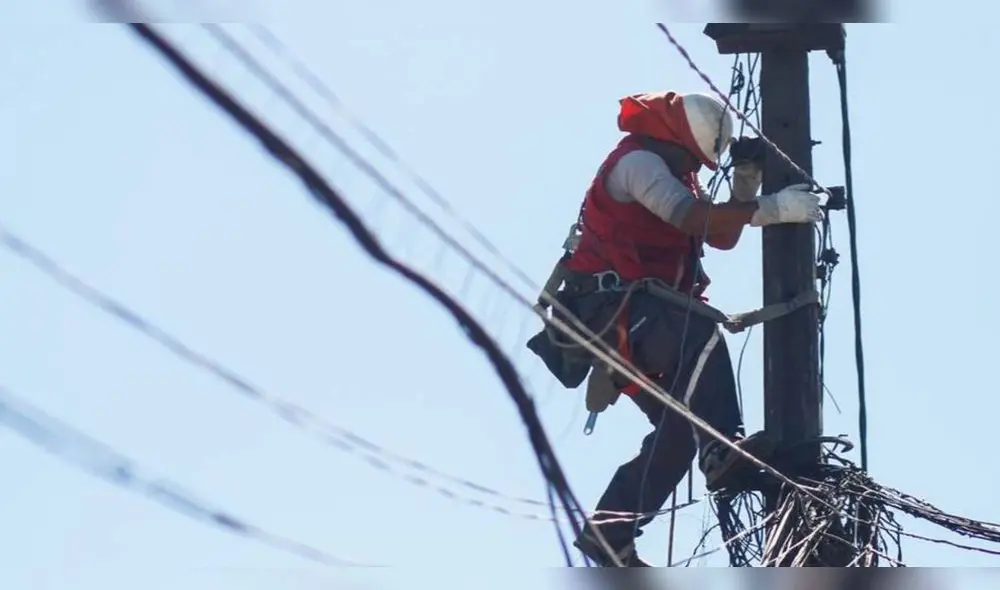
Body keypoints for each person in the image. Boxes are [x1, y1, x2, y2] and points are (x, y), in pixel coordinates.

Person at [525, 90, 823, 566]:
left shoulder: (674, 171)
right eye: (692, 156)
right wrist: (776, 208)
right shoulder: (637, 165)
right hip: (613, 311)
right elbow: (688, 217)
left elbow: (719, 234)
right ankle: (723, 447)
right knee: (699, 331)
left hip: (631, 321)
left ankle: (609, 534)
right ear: (672, 136)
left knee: (681, 429)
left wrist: (746, 184)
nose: (695, 167)